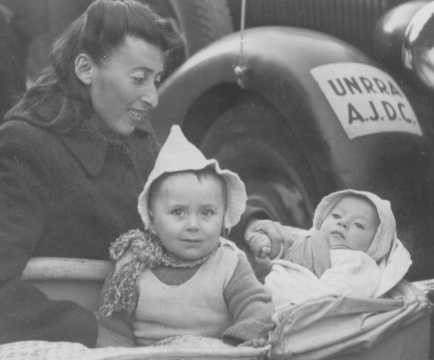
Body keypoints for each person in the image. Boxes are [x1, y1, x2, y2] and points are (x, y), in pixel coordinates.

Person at [0, 0, 183, 346]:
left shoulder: (137, 137)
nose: (153, 98)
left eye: (156, 80)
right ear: (85, 69)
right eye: (139, 78)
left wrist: (252, 226)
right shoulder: (24, 148)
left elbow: (184, 194)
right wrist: (88, 332)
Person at [98, 125, 274, 347]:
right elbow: (113, 326)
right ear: (152, 220)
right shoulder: (132, 265)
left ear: (222, 217)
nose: (193, 225)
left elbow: (256, 306)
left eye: (207, 213)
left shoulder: (228, 264)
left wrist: (243, 340)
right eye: (178, 212)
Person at [247, 190, 412, 308]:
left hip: (295, 306)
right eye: (336, 216)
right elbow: (282, 240)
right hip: (259, 294)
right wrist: (263, 242)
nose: (343, 223)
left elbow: (332, 299)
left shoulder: (358, 262)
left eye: (358, 225)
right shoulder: (309, 239)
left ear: (376, 243)